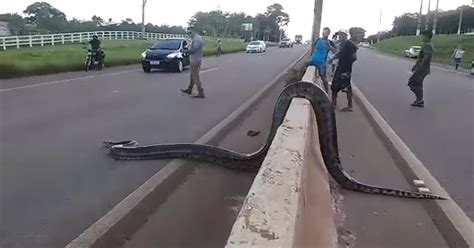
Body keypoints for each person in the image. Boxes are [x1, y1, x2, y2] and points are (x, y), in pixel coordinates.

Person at [330, 29, 357, 112]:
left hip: (346, 69)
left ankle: (350, 106)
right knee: (334, 86)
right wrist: (333, 58)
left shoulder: (350, 45)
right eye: (339, 35)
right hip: (340, 68)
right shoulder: (342, 44)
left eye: (342, 35)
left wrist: (347, 62)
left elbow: (354, 57)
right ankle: (333, 104)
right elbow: (339, 54)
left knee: (347, 88)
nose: (340, 36)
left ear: (346, 35)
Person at [408, 30, 433, 108]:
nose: (422, 37)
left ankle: (420, 100)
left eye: (423, 36)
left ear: (427, 36)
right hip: (421, 68)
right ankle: (419, 100)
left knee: (412, 83)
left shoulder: (428, 45)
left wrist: (419, 66)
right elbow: (421, 57)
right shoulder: (426, 44)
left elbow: (426, 57)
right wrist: (415, 65)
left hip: (422, 69)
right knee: (418, 84)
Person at [309, 27, 336, 92]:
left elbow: (335, 51)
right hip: (313, 60)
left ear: (328, 34)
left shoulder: (329, 42)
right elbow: (313, 48)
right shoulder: (318, 40)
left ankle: (326, 92)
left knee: (323, 78)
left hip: (321, 62)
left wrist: (329, 46)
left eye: (326, 33)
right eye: (323, 33)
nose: (324, 34)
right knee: (304, 68)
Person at [181, 30, 205, 98]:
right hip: (195, 60)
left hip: (195, 60)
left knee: (195, 77)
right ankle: (189, 89)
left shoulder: (197, 39)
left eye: (189, 33)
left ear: (193, 31)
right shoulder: (197, 38)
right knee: (192, 76)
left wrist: (185, 51)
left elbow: (193, 50)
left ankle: (201, 92)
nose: (189, 35)